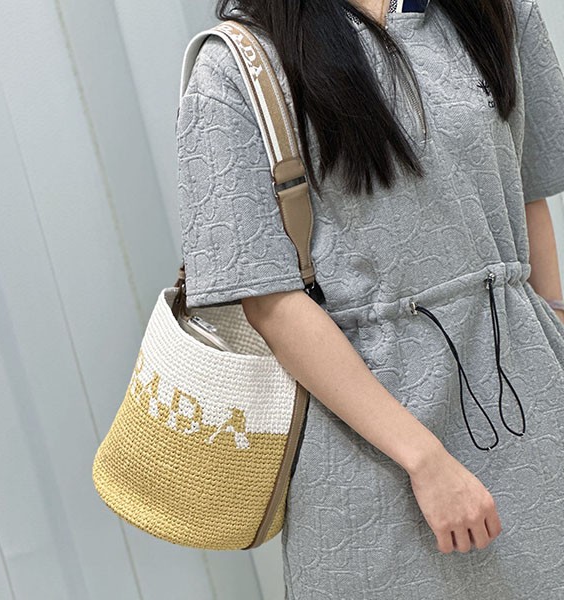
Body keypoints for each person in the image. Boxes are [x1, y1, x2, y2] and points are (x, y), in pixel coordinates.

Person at [176, 0, 564, 597]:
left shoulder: (497, 11)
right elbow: (271, 302)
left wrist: (555, 329)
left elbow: (527, 188)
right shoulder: (238, 64)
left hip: (530, 396)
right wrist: (425, 459)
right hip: (369, 434)